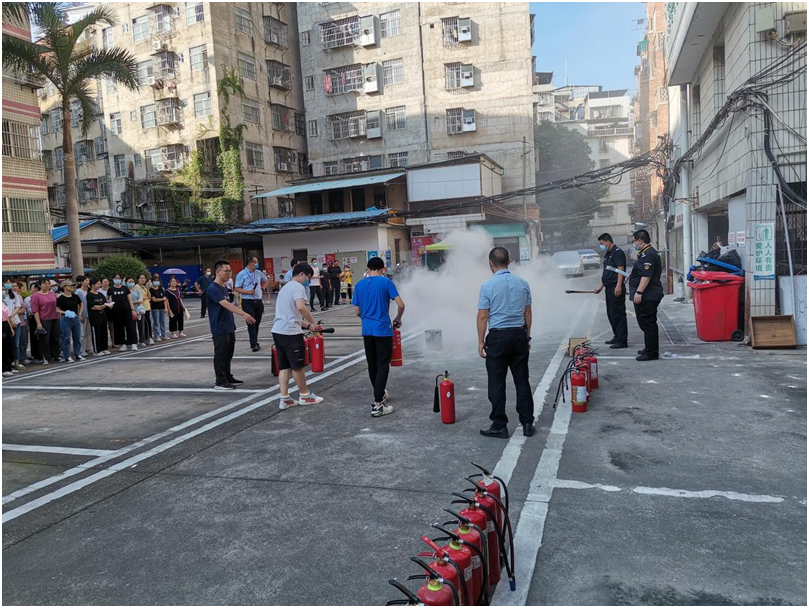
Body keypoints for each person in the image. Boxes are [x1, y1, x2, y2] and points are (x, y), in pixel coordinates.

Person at [476, 247, 534, 439]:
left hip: (498, 337)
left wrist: (481, 341)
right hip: (519, 335)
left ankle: (499, 425)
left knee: (497, 383)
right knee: (522, 380)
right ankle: (527, 423)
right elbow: (527, 312)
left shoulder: (487, 286)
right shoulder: (523, 283)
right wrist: (527, 336)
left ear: (490, 264)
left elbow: (483, 316)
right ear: (509, 261)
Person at [352, 256, 405, 417]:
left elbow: (357, 310)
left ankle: (379, 394)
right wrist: (398, 318)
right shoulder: (386, 282)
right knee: (383, 364)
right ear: (383, 269)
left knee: (372, 364)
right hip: (382, 329)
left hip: (367, 330)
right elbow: (401, 305)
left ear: (367, 269)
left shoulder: (359, 285)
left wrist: (366, 319)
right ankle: (377, 405)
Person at [271, 262, 324, 409]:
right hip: (291, 333)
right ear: (301, 274)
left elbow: (291, 314)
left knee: (284, 366)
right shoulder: (298, 287)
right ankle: (305, 395)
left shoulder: (285, 288)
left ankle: (284, 398)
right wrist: (312, 322)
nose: (308, 280)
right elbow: (301, 307)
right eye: (308, 277)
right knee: (297, 366)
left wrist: (307, 326)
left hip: (278, 331)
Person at [207, 259, 257, 390]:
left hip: (228, 326)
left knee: (228, 354)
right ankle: (220, 381)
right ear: (218, 272)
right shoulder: (213, 288)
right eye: (227, 271)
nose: (229, 274)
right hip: (219, 327)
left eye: (230, 271)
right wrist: (243, 313)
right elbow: (225, 304)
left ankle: (228, 376)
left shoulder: (224, 287)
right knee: (220, 354)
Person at [628, 229, 664, 361]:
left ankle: (651, 352)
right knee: (645, 323)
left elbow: (646, 276)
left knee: (648, 323)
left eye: (634, 241)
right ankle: (649, 347)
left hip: (648, 294)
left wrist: (639, 292)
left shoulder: (648, 254)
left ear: (640, 241)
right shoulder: (646, 253)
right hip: (647, 293)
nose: (634, 244)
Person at [593, 233, 629, 349]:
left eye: (602, 244)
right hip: (608, 287)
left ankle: (622, 340)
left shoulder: (617, 252)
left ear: (608, 242)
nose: (601, 246)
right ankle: (617, 336)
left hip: (615, 287)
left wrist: (619, 285)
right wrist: (600, 286)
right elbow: (607, 272)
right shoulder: (608, 254)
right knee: (611, 313)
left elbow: (621, 270)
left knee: (618, 313)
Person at [234, 257, 268, 352]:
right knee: (251, 323)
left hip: (258, 301)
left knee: (257, 323)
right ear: (250, 263)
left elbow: (265, 280)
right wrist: (248, 292)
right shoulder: (241, 274)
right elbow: (237, 288)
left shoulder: (258, 273)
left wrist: (262, 288)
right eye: (255, 262)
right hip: (247, 301)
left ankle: (255, 340)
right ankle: (254, 344)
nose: (256, 264)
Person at [31, 279, 60, 364]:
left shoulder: (52, 294)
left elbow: (57, 306)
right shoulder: (36, 296)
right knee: (45, 339)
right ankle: (45, 357)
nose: (47, 285)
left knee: (55, 338)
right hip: (44, 319)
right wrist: (38, 323)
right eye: (44, 284)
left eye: (48, 284)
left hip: (55, 318)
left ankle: (55, 356)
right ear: (40, 285)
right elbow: (35, 311)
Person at [56, 279, 84, 362]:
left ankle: (78, 354)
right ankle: (67, 355)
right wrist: (65, 312)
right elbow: (57, 309)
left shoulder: (75, 296)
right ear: (64, 287)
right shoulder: (60, 298)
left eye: (72, 286)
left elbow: (81, 304)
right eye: (70, 286)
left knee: (77, 337)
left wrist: (79, 313)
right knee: (66, 338)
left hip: (75, 317)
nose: (72, 287)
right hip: (65, 319)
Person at [108, 274, 138, 351]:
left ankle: (133, 343)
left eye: (119, 278)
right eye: (116, 278)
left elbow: (130, 299)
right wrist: (109, 305)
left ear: (121, 279)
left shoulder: (125, 288)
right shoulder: (110, 289)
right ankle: (122, 344)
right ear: (113, 279)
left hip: (127, 310)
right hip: (116, 311)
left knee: (130, 326)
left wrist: (132, 309)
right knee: (119, 327)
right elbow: (107, 299)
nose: (117, 279)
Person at [4, 280, 26, 370]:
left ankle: (16, 362)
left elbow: (18, 306)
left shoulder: (14, 295)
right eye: (7, 283)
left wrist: (12, 315)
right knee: (6, 344)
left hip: (15, 320)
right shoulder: (2, 295)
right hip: (5, 321)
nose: (8, 285)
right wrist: (8, 318)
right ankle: (8, 363)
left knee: (16, 343)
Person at [86, 278, 110, 355]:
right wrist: (101, 307)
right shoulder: (89, 295)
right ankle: (97, 350)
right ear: (92, 285)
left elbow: (105, 303)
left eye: (100, 284)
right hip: (94, 317)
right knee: (96, 333)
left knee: (104, 333)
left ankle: (104, 348)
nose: (99, 285)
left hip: (102, 316)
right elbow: (92, 306)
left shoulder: (100, 294)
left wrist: (106, 305)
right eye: (98, 284)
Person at [135, 273, 154, 346]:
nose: (143, 280)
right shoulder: (136, 287)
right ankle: (144, 339)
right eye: (141, 278)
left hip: (147, 307)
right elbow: (140, 297)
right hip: (141, 308)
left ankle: (149, 337)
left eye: (144, 278)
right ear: (138, 279)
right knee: (143, 324)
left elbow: (149, 296)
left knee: (148, 323)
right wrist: (146, 298)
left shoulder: (144, 287)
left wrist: (148, 289)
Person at [75, 275, 91, 356]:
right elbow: (77, 304)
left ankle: (88, 348)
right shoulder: (78, 292)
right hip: (82, 314)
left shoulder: (89, 291)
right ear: (81, 282)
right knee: (82, 333)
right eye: (86, 280)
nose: (88, 282)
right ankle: (81, 350)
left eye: (88, 280)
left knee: (88, 333)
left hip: (89, 314)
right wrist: (79, 314)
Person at [149, 274, 168, 341]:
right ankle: (157, 336)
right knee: (156, 322)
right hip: (155, 308)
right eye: (155, 281)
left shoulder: (161, 289)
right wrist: (162, 299)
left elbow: (165, 299)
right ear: (152, 282)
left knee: (162, 322)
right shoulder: (151, 290)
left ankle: (164, 335)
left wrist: (166, 307)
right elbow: (154, 299)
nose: (156, 282)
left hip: (162, 308)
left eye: (157, 281)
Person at [100, 277, 116, 348]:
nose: (106, 283)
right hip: (103, 309)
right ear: (101, 283)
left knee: (112, 327)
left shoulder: (111, 290)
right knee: (103, 328)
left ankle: (113, 343)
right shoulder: (99, 291)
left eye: (107, 281)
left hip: (111, 309)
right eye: (104, 282)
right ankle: (104, 344)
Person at [2, 299, 14, 376]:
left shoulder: (2, 303)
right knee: (2, 348)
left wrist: (11, 328)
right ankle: (3, 369)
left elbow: (7, 317)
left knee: (7, 347)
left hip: (5, 324)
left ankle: (8, 367)